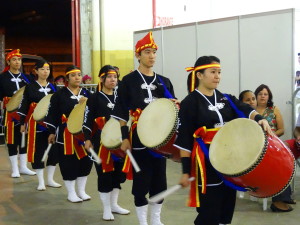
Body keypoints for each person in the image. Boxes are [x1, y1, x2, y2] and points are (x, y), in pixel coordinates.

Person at [174, 56, 272, 225]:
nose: (217, 76)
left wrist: (259, 118)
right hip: (207, 161)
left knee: (226, 209)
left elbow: (244, 108)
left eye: (219, 72)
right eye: (213, 72)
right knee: (209, 212)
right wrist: (185, 171)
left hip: (229, 160)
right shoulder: (190, 102)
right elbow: (184, 139)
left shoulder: (225, 98)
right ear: (199, 75)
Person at [111, 31, 178, 225]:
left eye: (154, 52)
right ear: (138, 55)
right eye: (147, 52)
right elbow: (122, 114)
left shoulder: (164, 81)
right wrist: (124, 138)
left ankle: (156, 219)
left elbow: (172, 111)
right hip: (139, 137)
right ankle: (143, 221)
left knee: (160, 182)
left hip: (162, 139)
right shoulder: (128, 81)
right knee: (142, 182)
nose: (151, 56)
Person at [83, 65, 129, 221]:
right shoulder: (94, 98)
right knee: (105, 174)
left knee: (118, 174)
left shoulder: (121, 97)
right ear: (101, 79)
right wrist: (87, 138)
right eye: (109, 77)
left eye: (115, 77)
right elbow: (87, 120)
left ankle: (114, 204)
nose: (113, 80)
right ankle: (106, 208)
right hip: (101, 142)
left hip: (120, 142)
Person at [44, 65, 93, 203]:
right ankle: (71, 193)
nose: (77, 77)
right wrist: (52, 132)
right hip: (66, 135)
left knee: (85, 162)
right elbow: (53, 114)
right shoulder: (59, 95)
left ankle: (82, 191)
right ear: (67, 78)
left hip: (85, 134)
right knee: (69, 163)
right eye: (73, 75)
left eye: (79, 74)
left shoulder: (88, 94)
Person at [17, 60, 61, 190]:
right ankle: (41, 181)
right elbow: (24, 105)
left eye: (47, 69)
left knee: (53, 152)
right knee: (39, 151)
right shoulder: (30, 87)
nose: (45, 71)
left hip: (52, 124)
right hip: (36, 124)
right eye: (42, 69)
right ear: (36, 71)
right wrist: (22, 123)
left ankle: (50, 179)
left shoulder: (54, 87)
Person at [255, 84, 294, 212]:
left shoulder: (274, 109)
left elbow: (282, 129)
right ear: (256, 95)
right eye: (260, 93)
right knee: (274, 165)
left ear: (269, 96)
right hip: (255, 145)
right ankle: (281, 198)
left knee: (282, 163)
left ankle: (282, 197)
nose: (262, 96)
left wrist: (270, 136)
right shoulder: (251, 111)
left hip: (273, 143)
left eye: (265, 94)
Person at [0, 49, 36, 178]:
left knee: (24, 138)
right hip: (10, 113)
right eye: (14, 59)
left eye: (19, 60)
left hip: (25, 112)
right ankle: (15, 169)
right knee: (11, 140)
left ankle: (23, 167)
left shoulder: (27, 78)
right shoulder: (2, 77)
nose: (17, 62)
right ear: (8, 61)